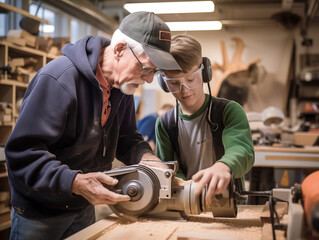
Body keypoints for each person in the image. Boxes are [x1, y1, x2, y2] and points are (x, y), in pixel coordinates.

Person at [5, 11, 181, 239]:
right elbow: (23, 152)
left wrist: (148, 159)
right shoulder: (59, 79)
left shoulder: (122, 87)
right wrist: (75, 182)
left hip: (84, 206)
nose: (148, 79)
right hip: (41, 213)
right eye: (146, 68)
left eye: (154, 72)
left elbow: (127, 139)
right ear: (119, 50)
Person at [155, 34, 254, 203]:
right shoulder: (165, 124)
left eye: (191, 79)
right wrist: (186, 189)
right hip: (186, 204)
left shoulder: (228, 111)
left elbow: (242, 151)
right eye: (174, 83)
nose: (184, 89)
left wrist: (224, 166)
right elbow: (169, 170)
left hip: (229, 204)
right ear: (164, 83)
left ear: (205, 72)